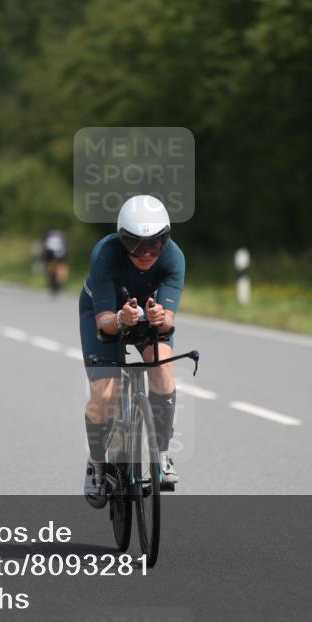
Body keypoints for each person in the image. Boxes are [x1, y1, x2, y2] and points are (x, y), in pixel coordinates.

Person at [79, 195, 184, 508]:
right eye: (136, 244)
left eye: (156, 243)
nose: (147, 253)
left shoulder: (173, 257)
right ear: (122, 239)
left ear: (166, 240)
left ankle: (162, 455)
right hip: (105, 315)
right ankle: (96, 464)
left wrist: (160, 318)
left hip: (146, 315)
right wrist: (120, 319)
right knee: (105, 395)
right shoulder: (105, 254)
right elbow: (104, 324)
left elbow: (169, 322)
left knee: (163, 366)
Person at [41, 229, 69, 294]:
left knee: (48, 264)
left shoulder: (48, 235)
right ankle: (59, 279)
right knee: (61, 265)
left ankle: (51, 276)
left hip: (49, 252)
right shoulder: (61, 235)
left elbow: (44, 245)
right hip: (60, 252)